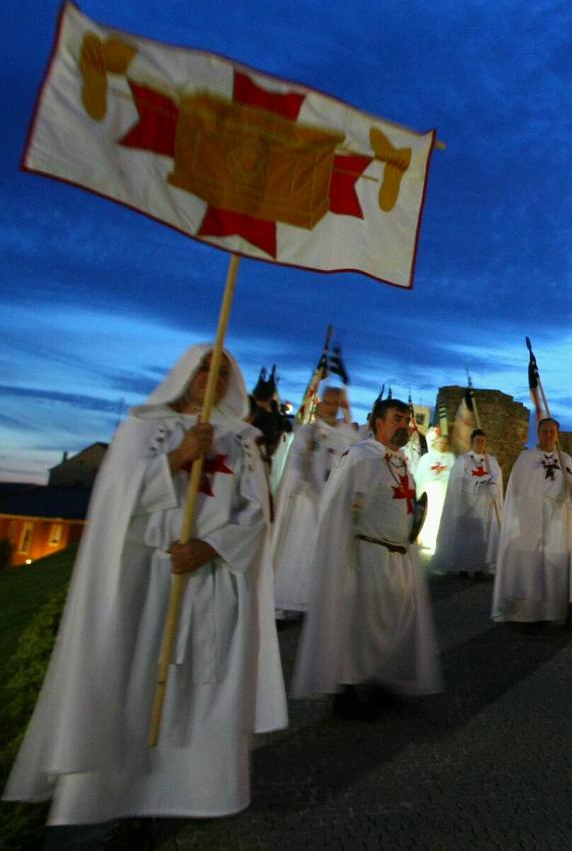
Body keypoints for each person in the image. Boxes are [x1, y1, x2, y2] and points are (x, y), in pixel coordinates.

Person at [4, 345, 286, 826]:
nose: (211, 379)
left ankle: (192, 794)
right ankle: (106, 803)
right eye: (203, 369)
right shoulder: (138, 433)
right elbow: (116, 503)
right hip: (144, 580)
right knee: (127, 684)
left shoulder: (242, 440)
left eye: (222, 373)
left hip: (212, 582)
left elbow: (258, 514)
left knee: (203, 693)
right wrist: (177, 457)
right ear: (183, 375)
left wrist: (213, 547)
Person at [291, 397, 442, 716]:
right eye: (397, 419)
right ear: (378, 423)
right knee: (360, 625)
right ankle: (345, 694)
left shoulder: (400, 462)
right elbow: (341, 510)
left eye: (407, 419)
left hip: (398, 555)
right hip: (368, 553)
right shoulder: (360, 458)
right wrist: (341, 560)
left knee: (391, 625)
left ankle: (378, 680)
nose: (404, 425)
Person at [268, 385, 356, 617]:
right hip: (307, 503)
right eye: (328, 402)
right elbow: (295, 465)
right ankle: (290, 602)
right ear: (320, 403)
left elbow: (353, 461)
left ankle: (321, 602)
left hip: (334, 503)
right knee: (301, 550)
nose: (332, 408)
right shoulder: (307, 432)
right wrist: (303, 470)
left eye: (336, 404)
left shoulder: (346, 434)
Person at [491, 417, 572, 624]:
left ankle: (551, 615)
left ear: (557, 435)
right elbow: (517, 491)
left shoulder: (566, 461)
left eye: (552, 432)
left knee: (552, 567)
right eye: (545, 431)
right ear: (538, 432)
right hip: (531, 520)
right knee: (529, 567)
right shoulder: (526, 459)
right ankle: (525, 616)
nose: (548, 435)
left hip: (556, 525)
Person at [431, 428, 504, 577]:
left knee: (481, 538)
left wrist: (493, 485)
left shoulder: (491, 461)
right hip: (466, 506)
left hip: (484, 507)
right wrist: (479, 481)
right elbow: (457, 481)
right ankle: (462, 567)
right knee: (464, 538)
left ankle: (478, 568)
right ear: (472, 442)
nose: (480, 444)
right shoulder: (463, 460)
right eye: (478, 440)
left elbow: (496, 476)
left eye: (483, 441)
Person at [412, 427, 455, 557]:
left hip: (443, 495)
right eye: (438, 441)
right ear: (433, 442)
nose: (441, 444)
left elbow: (453, 476)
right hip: (429, 495)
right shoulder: (425, 458)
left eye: (443, 442)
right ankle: (424, 541)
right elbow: (419, 477)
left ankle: (438, 542)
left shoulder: (450, 458)